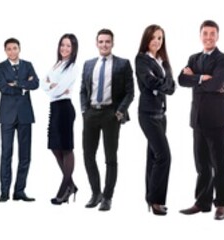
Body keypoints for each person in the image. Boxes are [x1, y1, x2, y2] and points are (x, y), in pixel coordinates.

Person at [176, 20, 224, 220]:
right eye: (205, 33)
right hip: (198, 120)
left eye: (212, 33)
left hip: (216, 120)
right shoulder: (193, 57)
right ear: (200, 35)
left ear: (217, 36)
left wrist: (197, 78)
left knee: (219, 164)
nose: (208, 37)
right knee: (201, 165)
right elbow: (181, 80)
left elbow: (218, 81)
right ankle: (202, 202)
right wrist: (203, 78)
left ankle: (222, 204)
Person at [79, 29, 134, 212]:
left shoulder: (123, 64)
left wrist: (119, 113)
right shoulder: (88, 64)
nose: (104, 45)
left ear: (112, 43)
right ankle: (96, 194)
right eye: (101, 41)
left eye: (107, 42)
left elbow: (130, 92)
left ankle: (108, 197)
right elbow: (83, 90)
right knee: (88, 155)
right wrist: (84, 110)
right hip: (91, 114)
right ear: (96, 43)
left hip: (111, 115)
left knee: (110, 157)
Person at [134, 24, 177, 216]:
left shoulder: (163, 61)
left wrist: (162, 85)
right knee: (164, 156)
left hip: (162, 114)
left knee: (153, 157)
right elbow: (149, 82)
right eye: (154, 37)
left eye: (160, 38)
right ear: (147, 39)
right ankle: (156, 200)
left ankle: (149, 198)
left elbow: (172, 86)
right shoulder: (141, 59)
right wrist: (163, 85)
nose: (157, 41)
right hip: (147, 114)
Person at [0, 38, 40, 202]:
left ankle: (19, 191)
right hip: (6, 115)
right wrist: (23, 85)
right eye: (9, 49)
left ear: (19, 49)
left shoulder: (27, 65)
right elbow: (2, 87)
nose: (12, 51)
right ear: (5, 51)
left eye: (15, 48)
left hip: (25, 115)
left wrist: (16, 83)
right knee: (6, 154)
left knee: (25, 155)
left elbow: (35, 83)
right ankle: (4, 191)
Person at [46, 34, 82, 205]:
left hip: (65, 108)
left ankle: (63, 189)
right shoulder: (57, 65)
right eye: (62, 45)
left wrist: (53, 86)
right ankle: (71, 185)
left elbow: (57, 88)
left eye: (69, 46)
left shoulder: (72, 66)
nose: (65, 48)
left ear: (74, 49)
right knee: (54, 146)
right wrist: (51, 86)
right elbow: (42, 83)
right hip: (54, 108)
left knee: (66, 148)